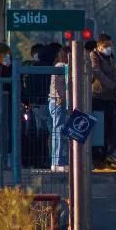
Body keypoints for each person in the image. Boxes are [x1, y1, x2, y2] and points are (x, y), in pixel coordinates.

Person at [90, 33, 116, 169]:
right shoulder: (94, 56)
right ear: (99, 46)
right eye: (106, 46)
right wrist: (110, 85)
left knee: (114, 130)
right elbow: (97, 72)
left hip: (111, 99)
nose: (109, 48)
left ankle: (108, 155)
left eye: (110, 46)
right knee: (101, 130)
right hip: (99, 98)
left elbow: (114, 78)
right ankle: (99, 158)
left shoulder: (110, 58)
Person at [48, 44, 70, 172]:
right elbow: (57, 86)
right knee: (59, 131)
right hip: (58, 102)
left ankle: (59, 161)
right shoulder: (60, 68)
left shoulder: (62, 68)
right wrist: (61, 97)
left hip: (58, 102)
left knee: (59, 131)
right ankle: (57, 162)